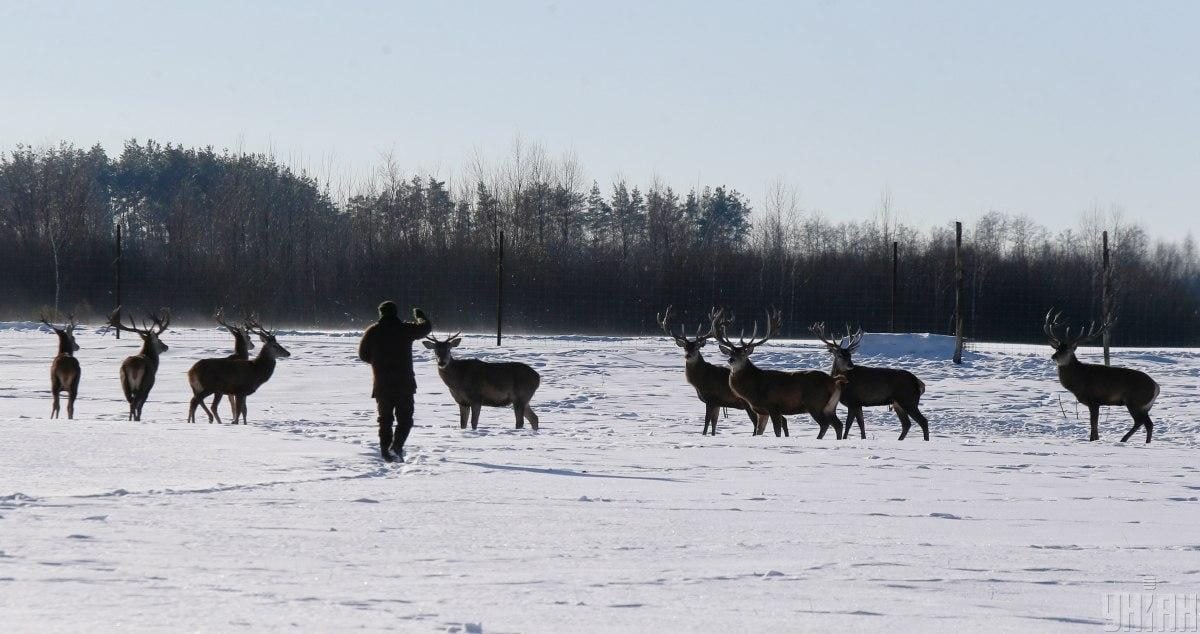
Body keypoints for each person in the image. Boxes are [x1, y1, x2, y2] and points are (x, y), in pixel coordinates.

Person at [358, 302, 432, 462]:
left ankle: (386, 452)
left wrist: (378, 361)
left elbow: (362, 354)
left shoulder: (373, 331)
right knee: (405, 419)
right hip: (404, 384)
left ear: (381, 313)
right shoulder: (405, 329)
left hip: (382, 385)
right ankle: (396, 447)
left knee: (385, 420)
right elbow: (426, 329)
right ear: (395, 313)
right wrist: (420, 317)